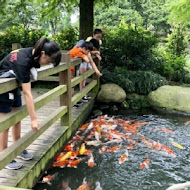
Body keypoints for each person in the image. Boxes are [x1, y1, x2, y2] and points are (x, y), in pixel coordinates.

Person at [0, 37, 61, 170]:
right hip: (3, 85)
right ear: (43, 53)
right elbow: (27, 92)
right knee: (4, 122)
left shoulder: (32, 54)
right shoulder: (23, 61)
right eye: (49, 61)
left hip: (13, 84)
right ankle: (4, 156)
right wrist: (34, 119)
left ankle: (18, 148)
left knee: (17, 118)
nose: (47, 64)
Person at [68, 41, 102, 108]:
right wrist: (87, 55)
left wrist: (97, 71)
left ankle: (72, 101)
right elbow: (87, 60)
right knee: (71, 86)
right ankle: (70, 103)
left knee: (72, 85)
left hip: (72, 69)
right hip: (69, 70)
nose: (88, 52)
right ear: (84, 48)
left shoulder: (79, 50)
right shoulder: (78, 51)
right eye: (88, 51)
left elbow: (90, 60)